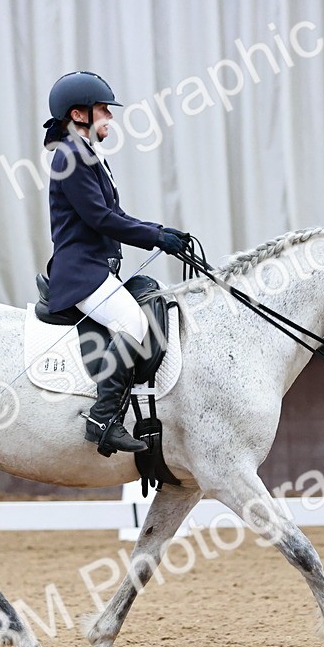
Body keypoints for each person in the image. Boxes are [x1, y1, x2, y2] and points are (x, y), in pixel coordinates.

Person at [41, 70, 190, 455]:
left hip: (96, 268)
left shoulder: (86, 154)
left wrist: (160, 231)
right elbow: (100, 219)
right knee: (133, 323)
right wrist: (155, 238)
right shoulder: (71, 157)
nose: (109, 116)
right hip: (82, 273)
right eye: (103, 110)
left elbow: (115, 215)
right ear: (78, 114)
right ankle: (103, 419)